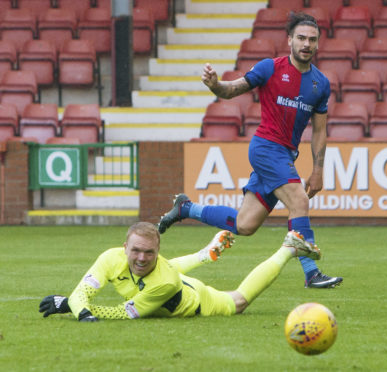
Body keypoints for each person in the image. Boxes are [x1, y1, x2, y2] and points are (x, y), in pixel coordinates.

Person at [158, 12, 342, 289]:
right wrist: (215, 85)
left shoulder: (321, 84)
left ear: (318, 44)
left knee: (245, 224)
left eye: (312, 40)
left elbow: (319, 131)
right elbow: (233, 90)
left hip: (286, 154)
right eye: (301, 38)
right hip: (266, 148)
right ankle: (311, 272)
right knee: (299, 201)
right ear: (290, 39)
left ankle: (187, 208)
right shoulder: (270, 68)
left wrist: (317, 170)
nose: (306, 44)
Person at [38, 222, 321, 321]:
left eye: (149, 252)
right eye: (135, 250)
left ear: (157, 251)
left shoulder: (166, 280)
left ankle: (289, 248)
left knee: (239, 302)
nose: (140, 257)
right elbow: (81, 293)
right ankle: (204, 254)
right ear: (124, 246)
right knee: (157, 271)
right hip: (168, 278)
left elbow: (123, 313)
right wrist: (74, 304)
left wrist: (73, 308)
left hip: (197, 301)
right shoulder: (110, 258)